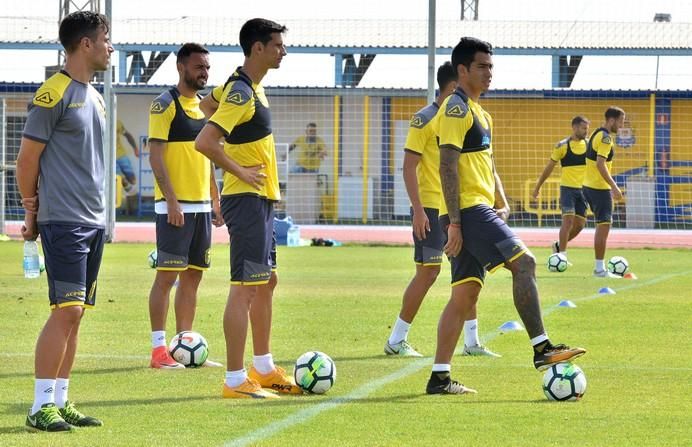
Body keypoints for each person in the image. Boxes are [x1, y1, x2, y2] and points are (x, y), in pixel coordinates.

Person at [430, 37, 586, 395]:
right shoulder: (456, 108)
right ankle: (542, 349)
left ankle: (439, 378)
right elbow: (448, 166)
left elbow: (483, 164)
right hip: (467, 209)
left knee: (464, 295)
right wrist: (454, 222)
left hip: (475, 207)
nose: (489, 73)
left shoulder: (481, 113)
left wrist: (498, 198)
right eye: (482, 66)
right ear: (462, 70)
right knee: (526, 263)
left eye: (491, 66)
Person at [15, 11, 113, 431]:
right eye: (106, 39)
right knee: (66, 310)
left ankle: (60, 400)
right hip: (64, 219)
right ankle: (39, 407)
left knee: (77, 313)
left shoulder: (96, 96)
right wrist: (30, 209)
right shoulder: (53, 93)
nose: (111, 48)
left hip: (92, 221)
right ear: (85, 44)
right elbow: (27, 159)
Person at [195, 18, 300, 399]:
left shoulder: (242, 87)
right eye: (277, 45)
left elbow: (206, 105)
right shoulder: (241, 92)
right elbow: (205, 141)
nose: (283, 51)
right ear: (258, 48)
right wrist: (239, 169)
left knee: (266, 282)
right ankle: (236, 380)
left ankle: (264, 366)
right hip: (247, 199)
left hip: (261, 200)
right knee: (244, 288)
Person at [384, 62, 499, 359]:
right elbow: (409, 166)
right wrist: (419, 210)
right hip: (433, 208)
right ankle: (396, 339)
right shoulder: (424, 119)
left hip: (457, 208)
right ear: (452, 87)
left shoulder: (466, 115)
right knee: (429, 272)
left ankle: (472, 342)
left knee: (468, 274)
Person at [146, 43, 223, 369]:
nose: (204, 72)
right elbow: (156, 156)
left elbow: (207, 158)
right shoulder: (164, 105)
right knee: (166, 278)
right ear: (181, 67)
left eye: (207, 67)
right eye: (198, 67)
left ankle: (184, 344)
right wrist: (172, 200)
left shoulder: (206, 109)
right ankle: (158, 351)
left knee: (193, 277)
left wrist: (216, 200)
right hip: (174, 209)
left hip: (202, 208)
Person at [532, 116, 590, 263]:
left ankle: (558, 246)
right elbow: (548, 168)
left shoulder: (590, 146)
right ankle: (562, 256)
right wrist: (538, 186)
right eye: (584, 128)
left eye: (587, 128)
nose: (586, 131)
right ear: (575, 127)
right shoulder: (562, 146)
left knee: (580, 225)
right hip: (568, 189)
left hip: (584, 191)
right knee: (568, 221)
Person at [583, 107, 625, 277]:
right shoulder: (606, 138)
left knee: (601, 225)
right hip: (599, 188)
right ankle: (599, 269)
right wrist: (614, 187)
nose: (622, 125)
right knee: (603, 226)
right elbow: (600, 164)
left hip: (588, 186)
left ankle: (600, 267)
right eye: (621, 121)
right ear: (612, 120)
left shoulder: (596, 133)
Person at [115, 119, 139, 194]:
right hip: (108, 157)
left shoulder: (117, 122)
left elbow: (128, 135)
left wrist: (135, 148)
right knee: (120, 178)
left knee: (133, 180)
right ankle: (125, 185)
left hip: (121, 154)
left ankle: (127, 185)